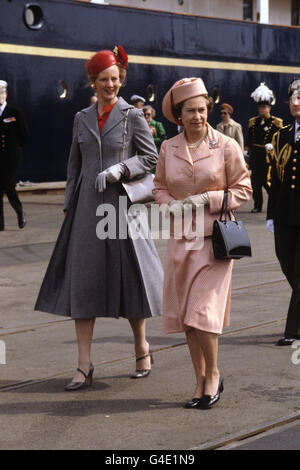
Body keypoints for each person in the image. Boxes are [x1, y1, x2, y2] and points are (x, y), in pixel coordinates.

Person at [35, 46, 163, 390]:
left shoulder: (132, 116)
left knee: (132, 279)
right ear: (93, 82)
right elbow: (73, 166)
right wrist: (68, 205)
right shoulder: (81, 119)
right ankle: (83, 365)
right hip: (87, 212)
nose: (111, 85)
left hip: (122, 209)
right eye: (105, 79)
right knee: (83, 283)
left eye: (116, 79)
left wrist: (121, 168)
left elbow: (150, 158)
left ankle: (141, 347)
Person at [153, 78, 251, 409]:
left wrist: (207, 198)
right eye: (191, 111)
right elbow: (159, 188)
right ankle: (199, 380)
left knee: (202, 312)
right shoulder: (168, 148)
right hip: (182, 242)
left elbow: (244, 189)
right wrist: (171, 204)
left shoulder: (225, 145)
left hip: (216, 243)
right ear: (178, 115)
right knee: (187, 320)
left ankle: (214, 374)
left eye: (202, 109)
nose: (198, 116)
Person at [266, 78, 300, 346]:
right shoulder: (281, 135)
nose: (295, 101)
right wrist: (269, 214)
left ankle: (293, 330)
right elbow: (275, 179)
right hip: (284, 212)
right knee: (286, 261)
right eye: (292, 97)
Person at [247, 82, 283, 213]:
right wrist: (247, 149)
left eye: (264, 107)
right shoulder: (253, 122)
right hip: (256, 155)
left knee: (267, 182)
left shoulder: (275, 123)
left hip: (268, 156)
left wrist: (273, 146)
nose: (262, 110)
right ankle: (257, 205)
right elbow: (250, 137)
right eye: (260, 108)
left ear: (269, 108)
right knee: (255, 183)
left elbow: (280, 139)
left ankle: (276, 204)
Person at [0, 80, 27, 231]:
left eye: (1, 93)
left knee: (9, 186)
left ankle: (20, 211)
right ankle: (0, 224)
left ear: (6, 94)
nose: (0, 96)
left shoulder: (14, 112)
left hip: (11, 157)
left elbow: (24, 134)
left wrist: (17, 149)